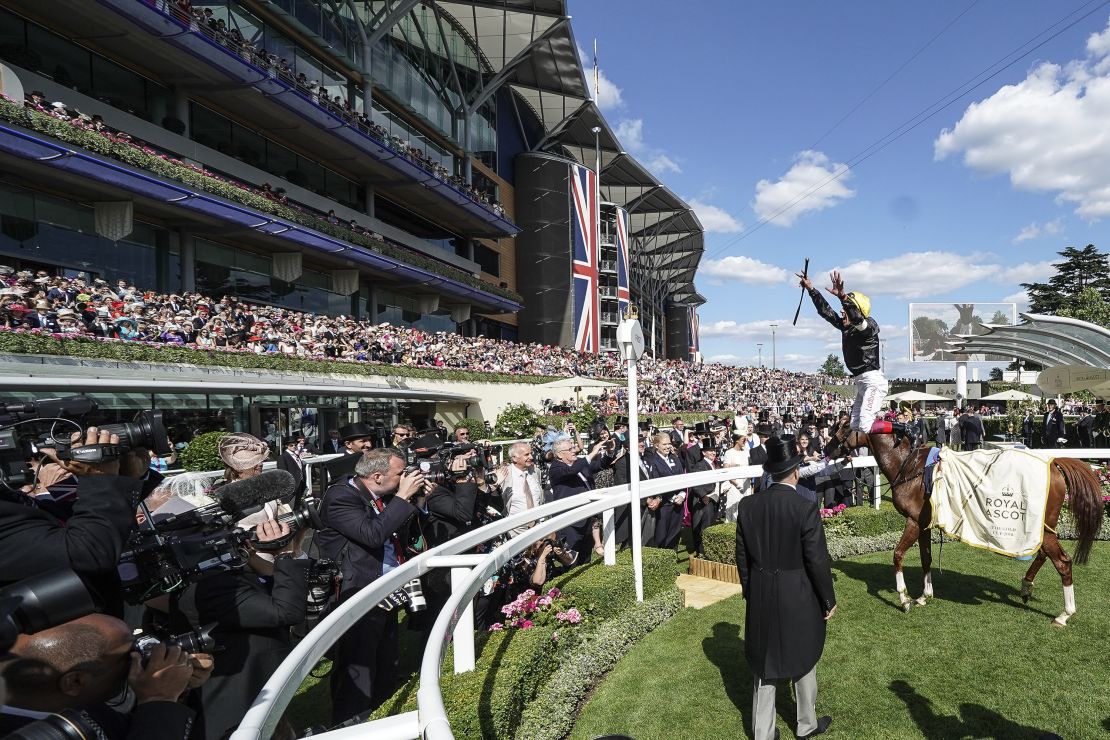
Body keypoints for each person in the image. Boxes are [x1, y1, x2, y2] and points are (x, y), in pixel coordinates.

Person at [735, 435, 836, 740]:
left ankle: (762, 733)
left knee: (764, 663)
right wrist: (828, 599)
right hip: (799, 593)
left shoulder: (748, 505)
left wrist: (751, 590)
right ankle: (806, 724)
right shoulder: (805, 507)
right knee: (804, 655)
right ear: (794, 472)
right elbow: (817, 560)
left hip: (763, 590)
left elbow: (742, 557)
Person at [314, 449, 424, 723]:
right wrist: (402, 497)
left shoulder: (377, 494)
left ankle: (383, 714)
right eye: (400, 474)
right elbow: (373, 534)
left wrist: (415, 497)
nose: (404, 479)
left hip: (384, 586)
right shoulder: (341, 497)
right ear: (376, 476)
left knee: (385, 657)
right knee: (357, 663)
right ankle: (350, 723)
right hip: (357, 591)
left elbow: (396, 528)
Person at [0, 613, 207, 738]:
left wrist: (176, 690)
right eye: (128, 656)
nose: (141, 658)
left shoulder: (85, 706)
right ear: (75, 681)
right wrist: (159, 699)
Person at [800, 270, 900, 436]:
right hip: (861, 382)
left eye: (844, 310)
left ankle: (903, 428)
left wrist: (843, 297)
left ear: (856, 310)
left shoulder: (869, 325)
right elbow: (826, 312)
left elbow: (857, 320)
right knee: (854, 425)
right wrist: (812, 289)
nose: (841, 313)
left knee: (866, 426)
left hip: (873, 381)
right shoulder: (846, 328)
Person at [548, 436, 609, 562]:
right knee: (571, 560)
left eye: (574, 447)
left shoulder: (579, 463)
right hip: (570, 522)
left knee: (586, 558)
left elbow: (599, 465)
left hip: (587, 518)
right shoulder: (556, 468)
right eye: (570, 449)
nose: (574, 450)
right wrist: (592, 453)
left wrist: (610, 452)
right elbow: (571, 471)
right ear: (560, 455)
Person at [643, 432, 686, 550]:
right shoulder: (653, 461)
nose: (668, 446)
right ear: (656, 446)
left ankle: (672, 563)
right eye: (664, 444)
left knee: (675, 535)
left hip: (678, 504)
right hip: (664, 506)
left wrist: (682, 494)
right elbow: (656, 482)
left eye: (669, 444)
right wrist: (672, 497)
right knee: (662, 536)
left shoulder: (674, 458)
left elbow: (682, 477)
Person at [496, 442, 544, 536]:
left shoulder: (535, 472)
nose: (531, 457)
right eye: (527, 454)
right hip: (513, 530)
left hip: (537, 526)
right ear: (514, 458)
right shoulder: (504, 474)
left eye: (531, 453)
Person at [687, 440, 719, 557]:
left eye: (714, 450)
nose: (713, 453)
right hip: (703, 500)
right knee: (703, 526)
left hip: (713, 498)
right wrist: (702, 495)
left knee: (709, 524)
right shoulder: (700, 465)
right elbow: (694, 482)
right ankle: (701, 551)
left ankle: (707, 549)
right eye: (710, 451)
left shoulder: (713, 464)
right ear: (704, 453)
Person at [322, 422, 375, 489]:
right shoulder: (338, 465)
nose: (369, 445)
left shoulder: (373, 458)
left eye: (369, 440)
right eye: (363, 441)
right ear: (348, 444)